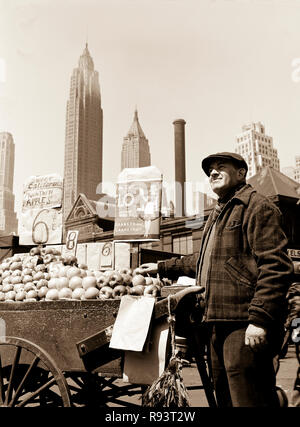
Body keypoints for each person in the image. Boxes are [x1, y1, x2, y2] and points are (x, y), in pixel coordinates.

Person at [139, 152, 294, 407]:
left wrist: (259, 319)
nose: (212, 172)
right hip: (215, 321)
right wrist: (161, 266)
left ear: (241, 173)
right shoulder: (219, 211)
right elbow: (203, 259)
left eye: (221, 167)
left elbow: (275, 266)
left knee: (247, 397)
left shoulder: (257, 207)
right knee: (223, 395)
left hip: (243, 323)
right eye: (210, 169)